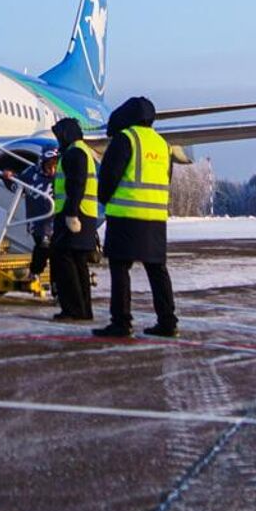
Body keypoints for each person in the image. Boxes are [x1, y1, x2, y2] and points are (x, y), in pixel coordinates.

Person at [93, 96, 177, 339]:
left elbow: (109, 176)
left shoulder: (125, 139)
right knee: (158, 270)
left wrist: (104, 199)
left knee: (120, 270)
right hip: (155, 218)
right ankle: (168, 321)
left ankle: (121, 322)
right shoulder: (163, 144)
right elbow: (166, 178)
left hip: (126, 216)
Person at [47, 118, 99, 322]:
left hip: (74, 215)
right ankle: (84, 310)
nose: (58, 139)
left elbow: (76, 185)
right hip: (84, 214)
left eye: (59, 135)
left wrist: (71, 213)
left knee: (64, 260)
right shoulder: (81, 150)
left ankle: (73, 309)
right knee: (79, 263)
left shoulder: (74, 153)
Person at [3, 148, 58, 281]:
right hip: (38, 222)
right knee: (43, 246)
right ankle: (35, 272)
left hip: (56, 220)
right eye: (49, 166)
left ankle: (57, 288)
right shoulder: (31, 173)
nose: (52, 171)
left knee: (58, 254)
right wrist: (8, 178)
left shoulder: (61, 176)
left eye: (55, 167)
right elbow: (17, 186)